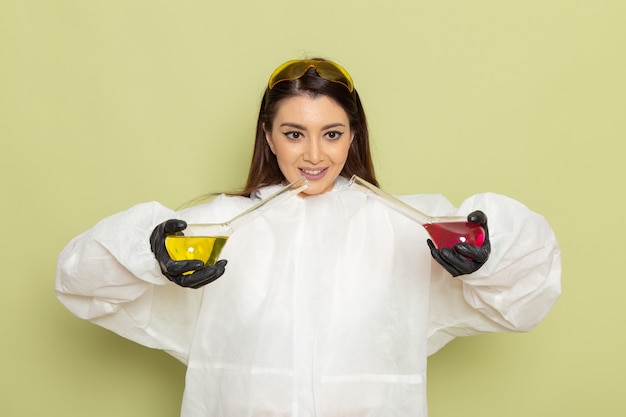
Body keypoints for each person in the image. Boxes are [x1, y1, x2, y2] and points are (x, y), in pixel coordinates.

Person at [56, 58, 561, 416]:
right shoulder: (220, 226)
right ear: (268, 135)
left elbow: (530, 282)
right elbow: (78, 279)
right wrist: (150, 253)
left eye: (333, 133)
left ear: (353, 134)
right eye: (295, 133)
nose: (315, 155)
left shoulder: (404, 226)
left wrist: (488, 252)